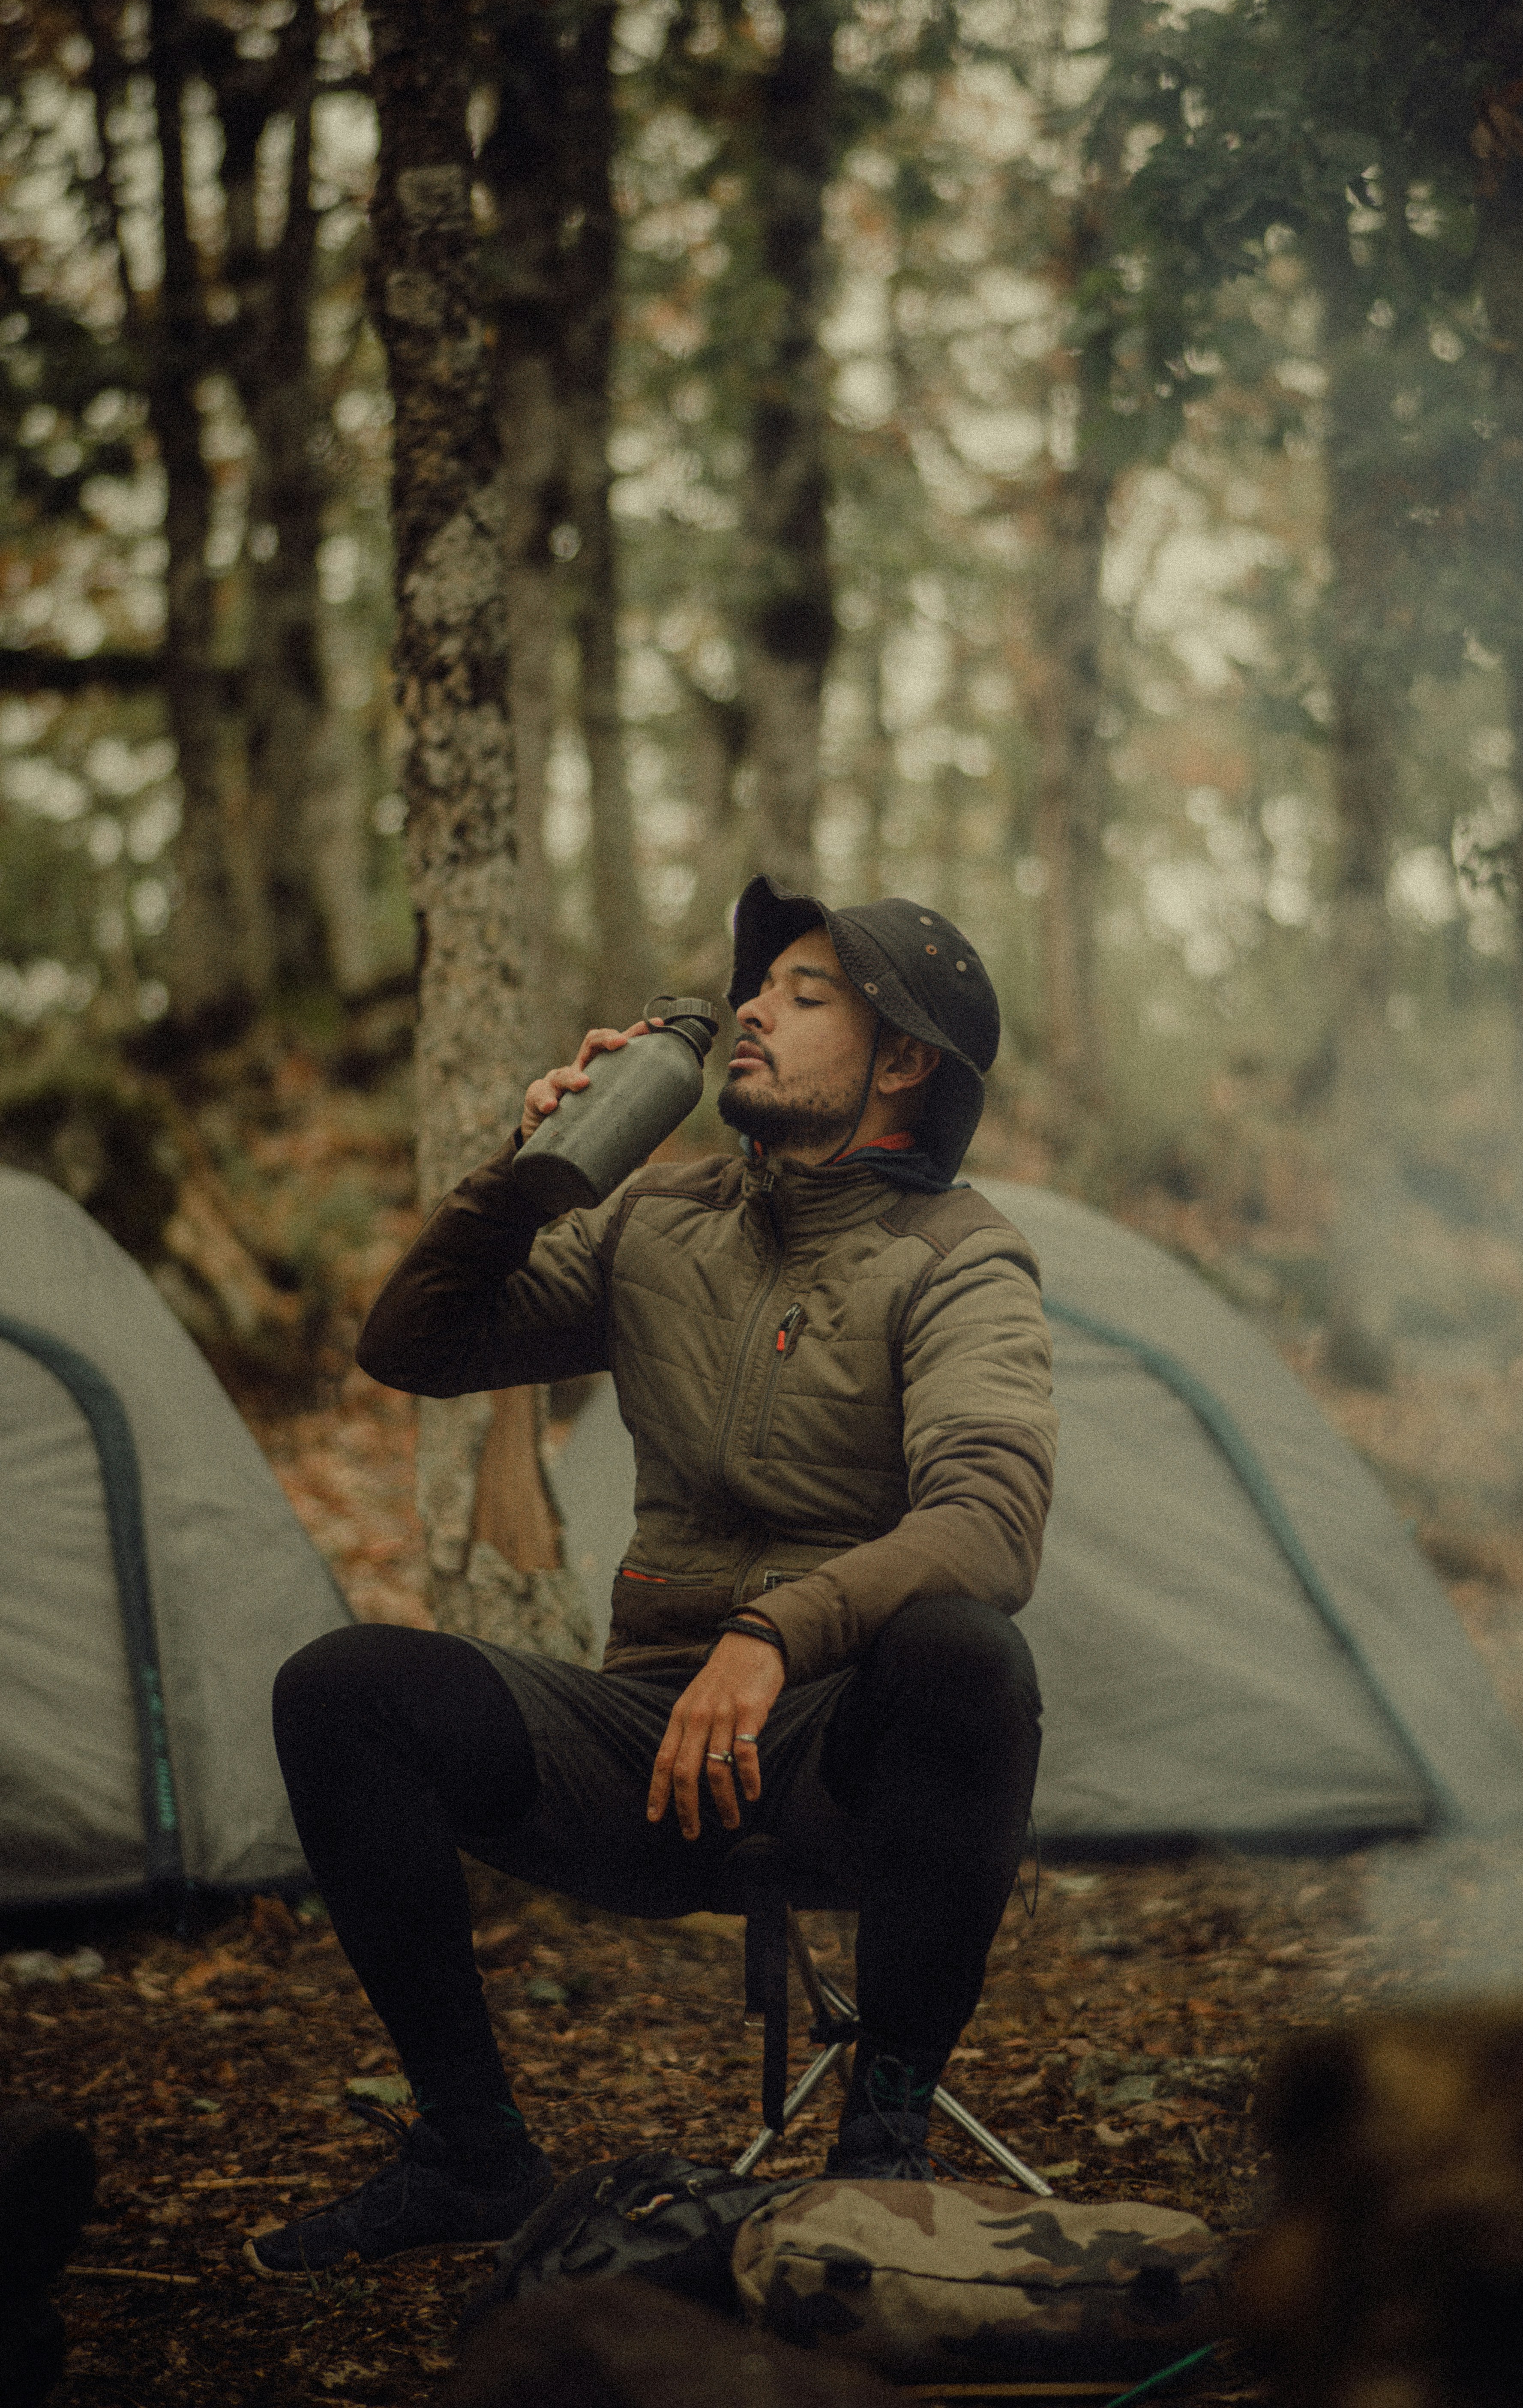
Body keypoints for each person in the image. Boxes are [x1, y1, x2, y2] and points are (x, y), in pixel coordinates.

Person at [247, 876, 1056, 2280]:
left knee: (968, 1658)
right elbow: (417, 1347)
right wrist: (533, 1172)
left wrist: (772, 1638)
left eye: (807, 997)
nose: (752, 1009)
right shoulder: (659, 1221)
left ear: (903, 1061)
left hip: (830, 1750)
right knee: (344, 1690)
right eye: (760, 988)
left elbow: (991, 1518)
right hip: (644, 1745)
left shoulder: (959, 1257)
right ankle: (472, 2150)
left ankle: (882, 2147)